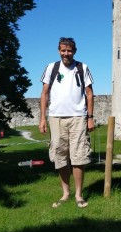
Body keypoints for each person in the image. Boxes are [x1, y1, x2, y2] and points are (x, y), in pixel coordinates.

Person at [39, 37, 94, 208]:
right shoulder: (51, 68)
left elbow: (90, 94)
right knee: (60, 157)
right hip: (56, 117)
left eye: (69, 51)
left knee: (78, 157)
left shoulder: (82, 68)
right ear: (59, 51)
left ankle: (78, 195)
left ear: (74, 51)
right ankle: (65, 194)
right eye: (63, 50)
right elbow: (44, 94)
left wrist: (90, 117)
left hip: (78, 117)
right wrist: (42, 118)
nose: (66, 54)